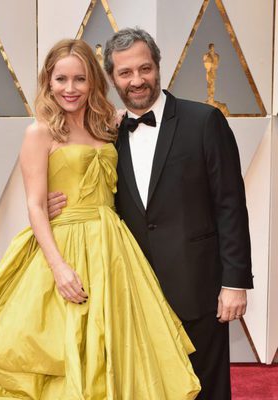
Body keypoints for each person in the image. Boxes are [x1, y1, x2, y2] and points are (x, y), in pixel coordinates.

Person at [0, 39, 201, 399]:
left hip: (113, 252)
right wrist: (59, 267)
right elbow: (35, 205)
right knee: (57, 350)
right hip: (63, 248)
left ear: (93, 82)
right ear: (48, 82)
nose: (70, 89)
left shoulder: (110, 127)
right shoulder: (39, 132)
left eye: (80, 79)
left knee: (115, 350)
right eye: (61, 79)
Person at [49, 28, 253, 400]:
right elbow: (95, 196)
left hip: (197, 289)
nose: (137, 80)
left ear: (158, 67)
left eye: (144, 69)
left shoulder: (204, 121)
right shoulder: (105, 133)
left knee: (204, 390)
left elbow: (231, 205)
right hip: (132, 290)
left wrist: (234, 282)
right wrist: (56, 206)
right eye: (125, 73)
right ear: (112, 78)